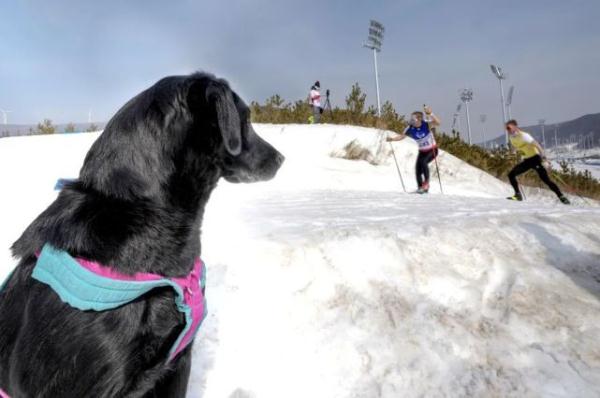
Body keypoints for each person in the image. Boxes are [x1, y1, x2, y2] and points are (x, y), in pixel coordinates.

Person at [504, 120, 569, 204]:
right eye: (506, 128)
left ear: (515, 127)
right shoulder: (512, 138)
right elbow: (516, 148)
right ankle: (518, 195)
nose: (507, 130)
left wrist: (544, 159)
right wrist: (511, 153)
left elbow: (538, 146)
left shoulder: (524, 136)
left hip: (536, 159)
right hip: (527, 161)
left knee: (546, 180)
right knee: (511, 175)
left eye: (509, 128)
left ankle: (561, 196)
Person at [387, 106, 441, 193]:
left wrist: (431, 113)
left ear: (419, 119)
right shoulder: (410, 128)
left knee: (423, 162)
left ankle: (426, 184)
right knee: (418, 170)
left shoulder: (426, 124)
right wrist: (392, 139)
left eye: (413, 118)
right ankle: (421, 188)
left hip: (432, 150)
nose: (411, 120)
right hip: (422, 151)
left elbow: (438, 123)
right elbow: (401, 136)